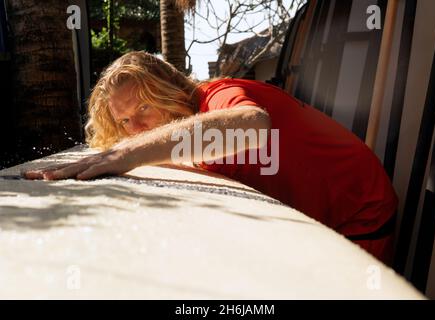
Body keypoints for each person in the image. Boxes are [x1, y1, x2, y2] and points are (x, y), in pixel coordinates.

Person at [24, 51, 398, 264]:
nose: (136, 128)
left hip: (359, 218)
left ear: (171, 90)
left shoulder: (218, 95)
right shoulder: (182, 135)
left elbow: (252, 125)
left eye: (144, 108)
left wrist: (128, 152)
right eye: (124, 122)